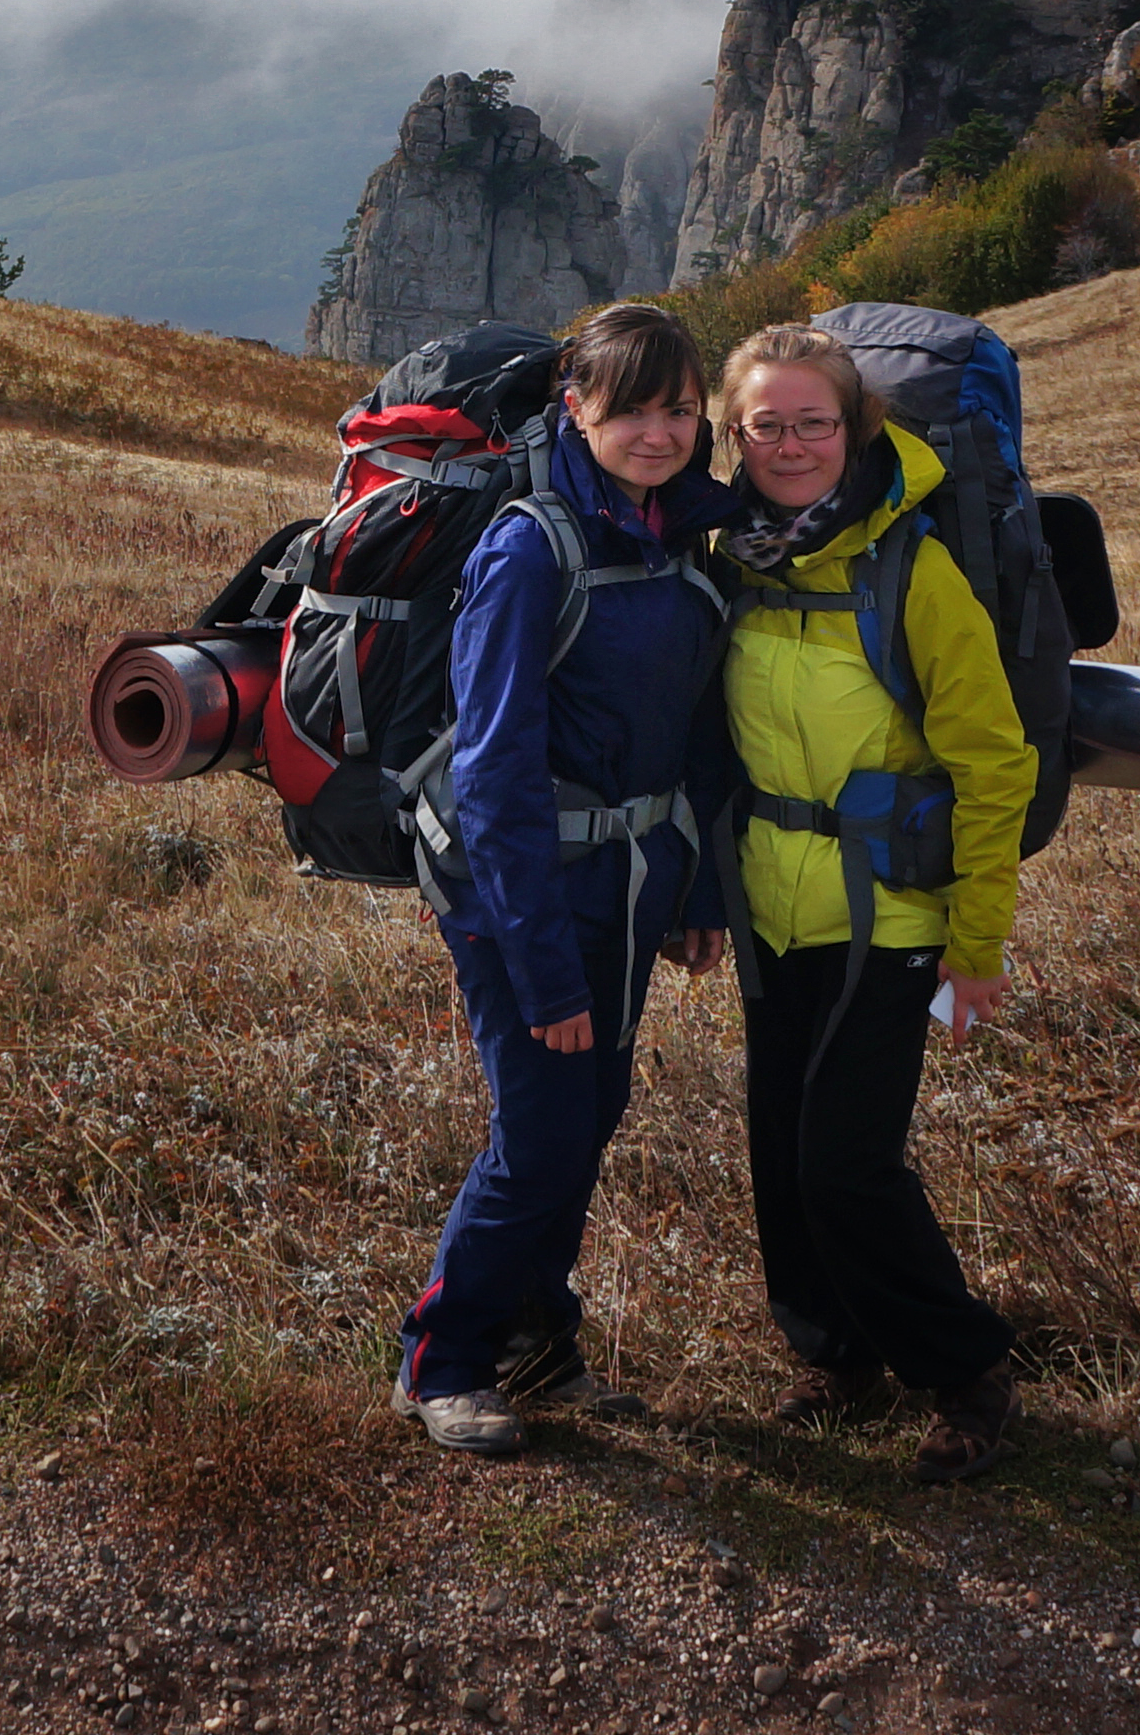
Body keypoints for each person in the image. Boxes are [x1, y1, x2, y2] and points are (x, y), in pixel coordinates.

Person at [393, 301, 739, 1458]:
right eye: (631, 406)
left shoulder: (676, 539)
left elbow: (692, 733)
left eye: (679, 408)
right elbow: (492, 771)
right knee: (542, 1126)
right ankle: (442, 1361)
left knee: (589, 1114)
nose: (658, 430)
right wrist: (543, 974)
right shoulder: (527, 548)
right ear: (575, 409)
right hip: (514, 893)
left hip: (630, 885)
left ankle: (538, 1347)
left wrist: (697, 896)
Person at [711, 318, 1033, 1483]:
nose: (791, 445)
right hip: (769, 908)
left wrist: (975, 941)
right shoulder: (734, 556)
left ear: (855, 428)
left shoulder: (915, 567)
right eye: (766, 425)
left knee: (843, 1162)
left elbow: (996, 761)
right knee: (777, 1148)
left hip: (889, 913)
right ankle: (831, 1352)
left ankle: (964, 1371)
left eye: (813, 422)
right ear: (733, 437)